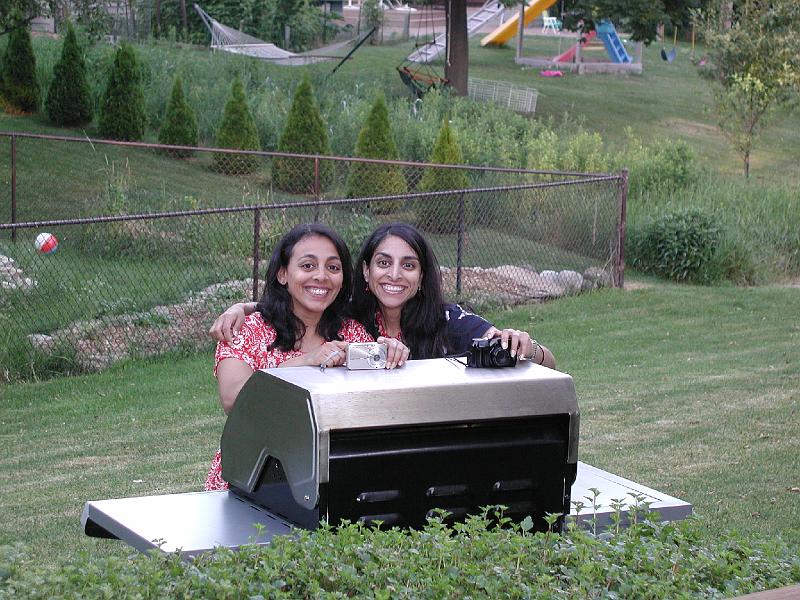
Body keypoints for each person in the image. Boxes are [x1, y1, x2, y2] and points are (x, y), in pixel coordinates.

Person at [205, 223, 409, 491]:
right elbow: (235, 400)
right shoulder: (246, 330)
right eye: (308, 266)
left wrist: (393, 355)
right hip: (255, 474)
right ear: (282, 274)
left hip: (328, 472)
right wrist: (305, 362)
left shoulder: (352, 332)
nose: (322, 276)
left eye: (333, 268)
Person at [210, 222, 555, 369]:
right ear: (365, 272)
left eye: (408, 265)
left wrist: (528, 347)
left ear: (421, 278)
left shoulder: (449, 321)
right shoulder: (351, 317)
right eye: (383, 263)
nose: (394, 275)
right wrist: (244, 307)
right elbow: (307, 298)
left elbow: (547, 361)